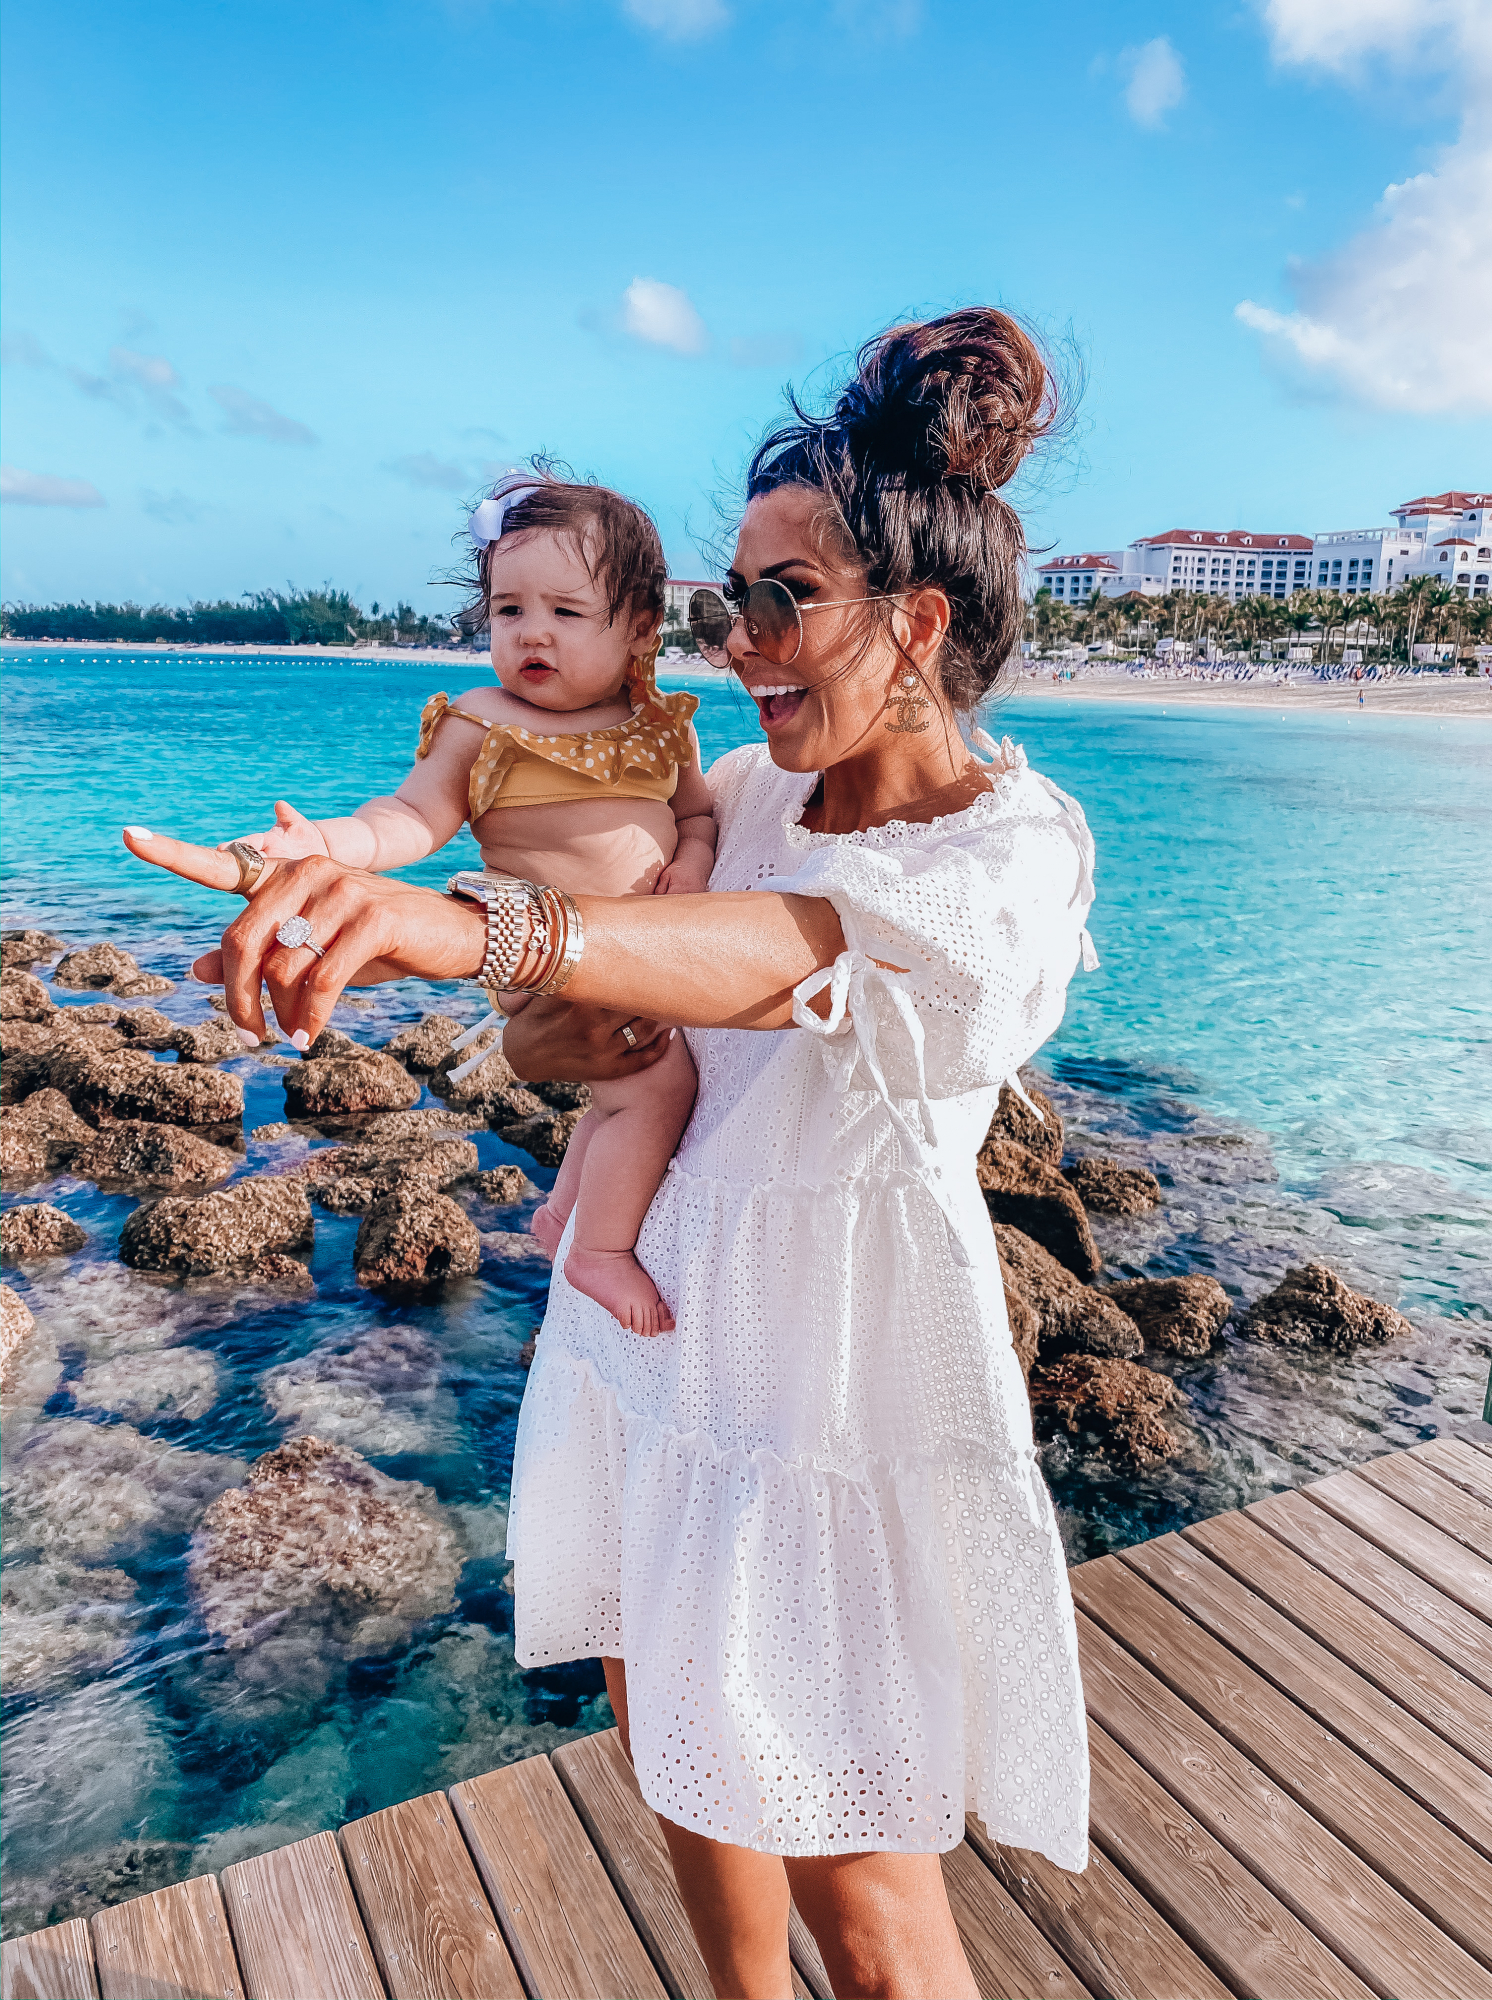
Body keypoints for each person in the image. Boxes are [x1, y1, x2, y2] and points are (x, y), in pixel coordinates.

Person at [126, 305, 1096, 2000]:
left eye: (782, 599)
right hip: (649, 1337)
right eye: (728, 601)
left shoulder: (1012, 854)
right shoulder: (746, 778)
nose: (738, 642)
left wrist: (454, 931)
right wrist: (529, 1009)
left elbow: (780, 952)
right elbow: (597, 1026)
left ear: (916, 619)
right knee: (681, 1751)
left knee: (869, 1900)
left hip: (831, 1384)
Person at [218, 474, 713, 1335]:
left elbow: (696, 812)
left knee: (620, 1094)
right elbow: (408, 819)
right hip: (539, 950)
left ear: (639, 627)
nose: (532, 634)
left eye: (565, 612)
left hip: (636, 948)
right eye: (508, 610)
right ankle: (600, 1250)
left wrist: (696, 860)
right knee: (658, 1089)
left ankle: (564, 1214)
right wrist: (326, 843)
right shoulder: (483, 720)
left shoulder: (661, 723)